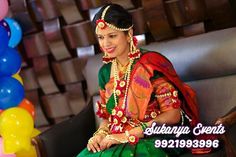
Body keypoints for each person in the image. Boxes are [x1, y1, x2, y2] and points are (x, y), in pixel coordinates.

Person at [77, 4, 199, 157]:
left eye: (112, 36)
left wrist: (129, 135)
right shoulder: (105, 73)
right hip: (118, 137)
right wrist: (100, 134)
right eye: (101, 37)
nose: (105, 44)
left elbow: (173, 115)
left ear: (128, 34)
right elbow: (108, 117)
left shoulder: (150, 65)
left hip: (156, 136)